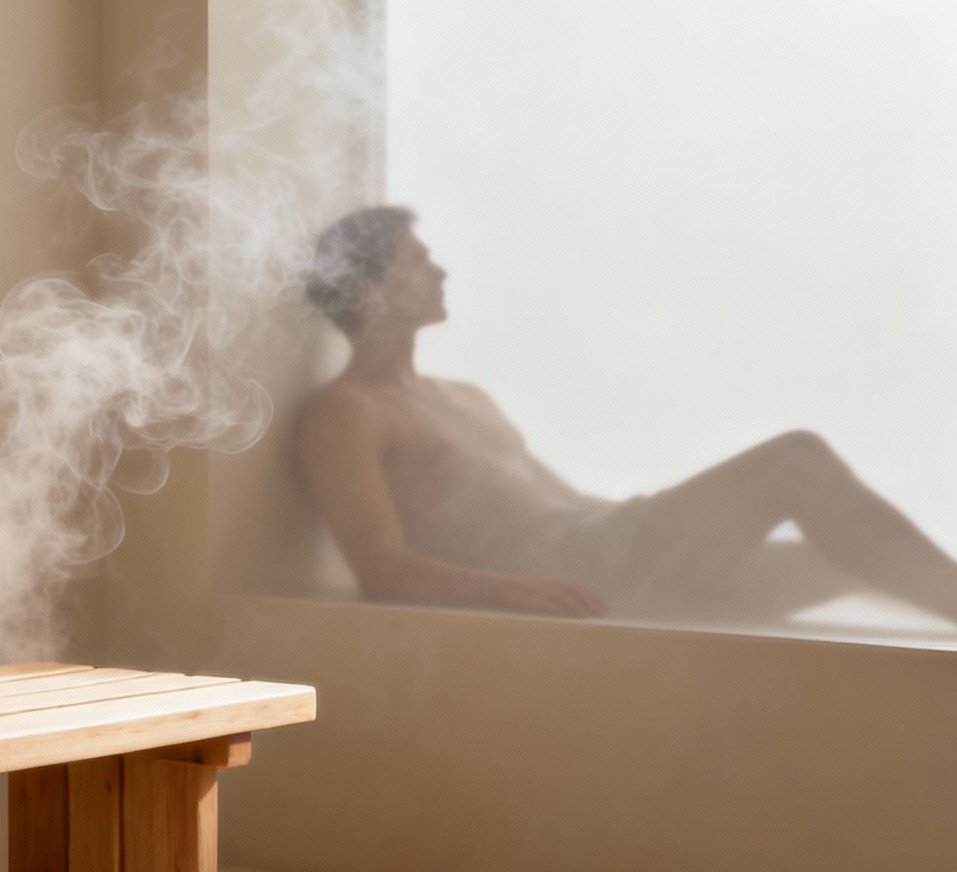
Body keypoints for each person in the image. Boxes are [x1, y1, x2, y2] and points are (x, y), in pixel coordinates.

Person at [293, 205, 957, 623]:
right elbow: (379, 564)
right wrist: (504, 591)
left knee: (841, 556)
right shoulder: (348, 412)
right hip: (570, 572)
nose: (440, 270)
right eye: (416, 260)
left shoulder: (465, 396)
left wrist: (671, 526)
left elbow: (562, 501)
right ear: (366, 288)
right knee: (796, 459)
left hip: (600, 544)